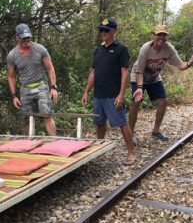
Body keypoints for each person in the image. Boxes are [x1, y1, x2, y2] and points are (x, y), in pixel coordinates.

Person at [81, 18, 136, 165]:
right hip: (98, 94)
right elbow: (93, 72)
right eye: (101, 30)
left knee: (121, 123)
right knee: (99, 123)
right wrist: (86, 91)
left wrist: (121, 94)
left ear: (114, 31)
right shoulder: (98, 50)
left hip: (113, 95)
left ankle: (131, 152)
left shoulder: (121, 49)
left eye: (106, 30)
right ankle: (99, 150)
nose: (103, 33)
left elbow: (125, 72)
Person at [129, 24, 193, 141]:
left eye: (164, 35)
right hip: (138, 76)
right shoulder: (146, 48)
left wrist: (190, 63)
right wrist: (139, 88)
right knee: (136, 102)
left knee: (163, 101)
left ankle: (156, 131)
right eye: (159, 35)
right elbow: (139, 71)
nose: (161, 38)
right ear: (154, 36)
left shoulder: (169, 49)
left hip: (154, 78)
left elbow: (180, 65)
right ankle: (130, 133)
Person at [7, 23, 58, 135]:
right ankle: (28, 144)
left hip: (41, 86)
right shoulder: (12, 55)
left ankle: (55, 141)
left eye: (28, 37)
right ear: (17, 37)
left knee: (46, 115)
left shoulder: (40, 49)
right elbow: (11, 76)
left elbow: (50, 68)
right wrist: (14, 96)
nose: (27, 40)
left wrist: (53, 87)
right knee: (25, 120)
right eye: (24, 38)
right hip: (25, 90)